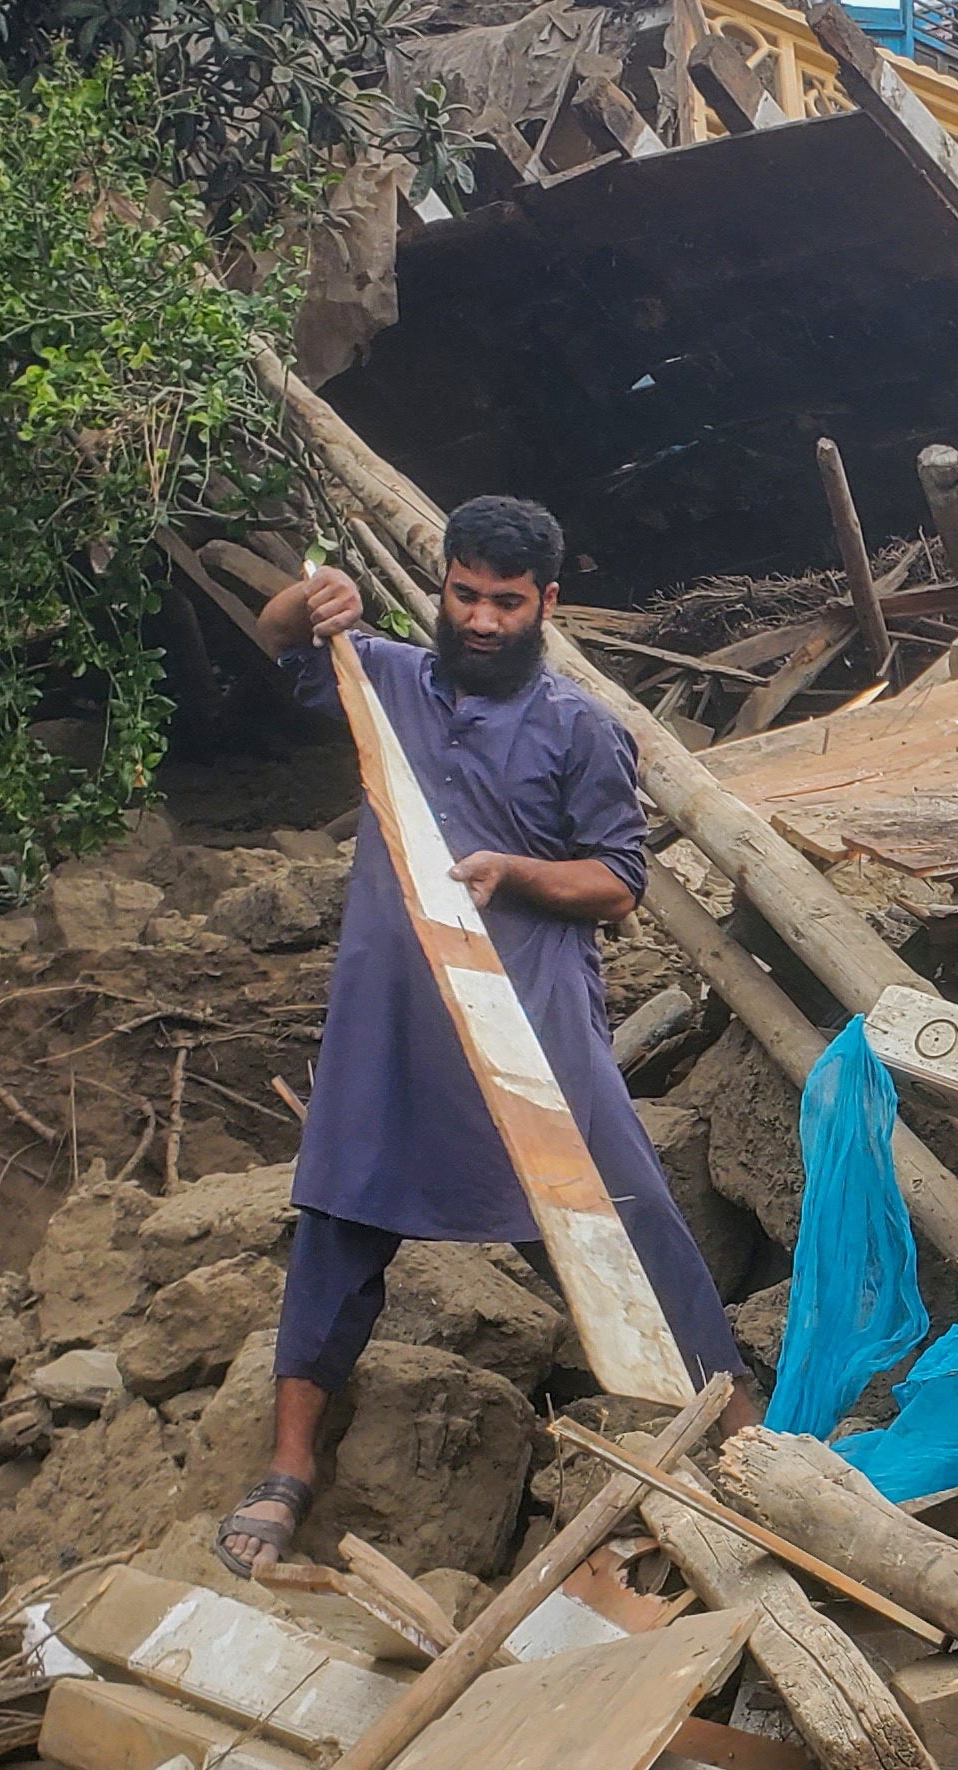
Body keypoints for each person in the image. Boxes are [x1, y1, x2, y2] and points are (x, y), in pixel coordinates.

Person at [223, 495, 747, 1573]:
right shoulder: (384, 684)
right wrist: (300, 600)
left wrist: (513, 874)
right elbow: (275, 645)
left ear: (546, 603)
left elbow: (617, 884)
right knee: (337, 1216)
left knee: (625, 1216)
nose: (483, 619)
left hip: (531, 1019)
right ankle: (288, 1470)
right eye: (465, 595)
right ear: (444, 586)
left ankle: (738, 1442)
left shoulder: (579, 728)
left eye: (508, 602)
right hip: (393, 1015)